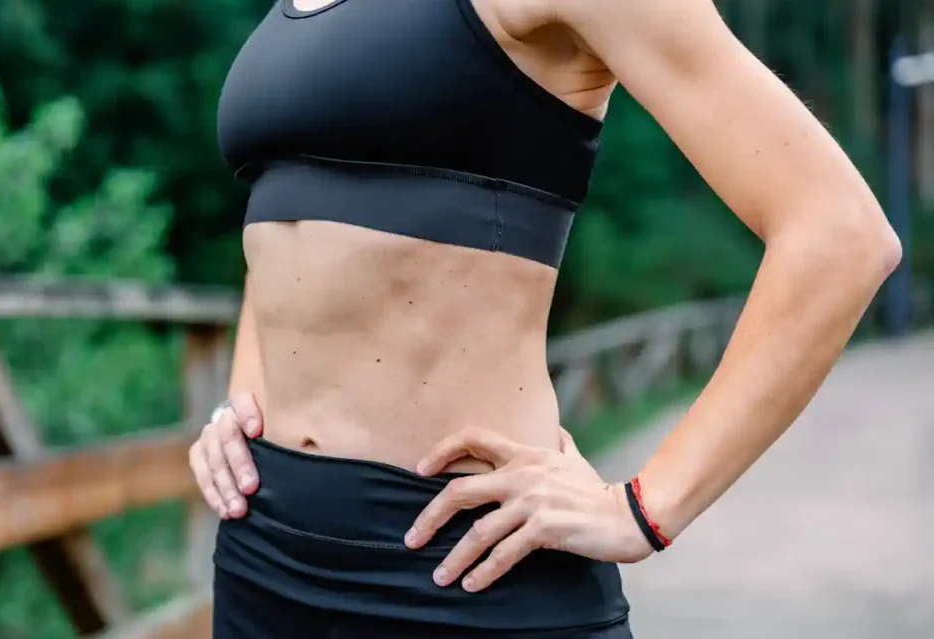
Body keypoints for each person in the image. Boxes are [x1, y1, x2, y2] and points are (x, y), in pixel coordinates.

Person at [188, 0, 902, 636]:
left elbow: (839, 235)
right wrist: (242, 397)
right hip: (262, 553)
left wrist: (645, 508)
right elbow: (286, 217)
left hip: (462, 566)